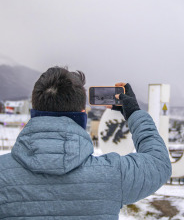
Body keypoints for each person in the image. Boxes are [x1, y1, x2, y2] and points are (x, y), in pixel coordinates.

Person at [0, 67, 172, 219]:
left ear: (34, 111)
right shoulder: (113, 174)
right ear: (82, 114)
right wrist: (133, 112)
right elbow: (159, 163)